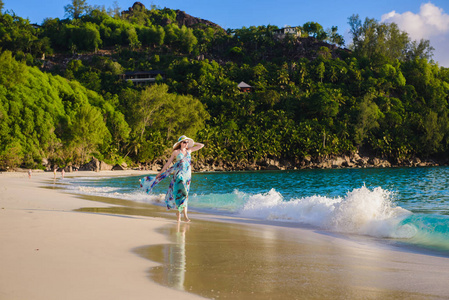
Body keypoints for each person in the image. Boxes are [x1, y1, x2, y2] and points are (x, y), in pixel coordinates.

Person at [140, 135, 204, 222]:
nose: (186, 144)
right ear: (180, 143)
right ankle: (185, 216)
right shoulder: (176, 152)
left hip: (187, 176)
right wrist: (160, 172)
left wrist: (192, 142)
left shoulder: (189, 150)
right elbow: (168, 163)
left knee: (183, 195)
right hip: (179, 175)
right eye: (184, 142)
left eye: (187, 142)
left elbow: (201, 146)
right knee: (183, 193)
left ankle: (178, 214)